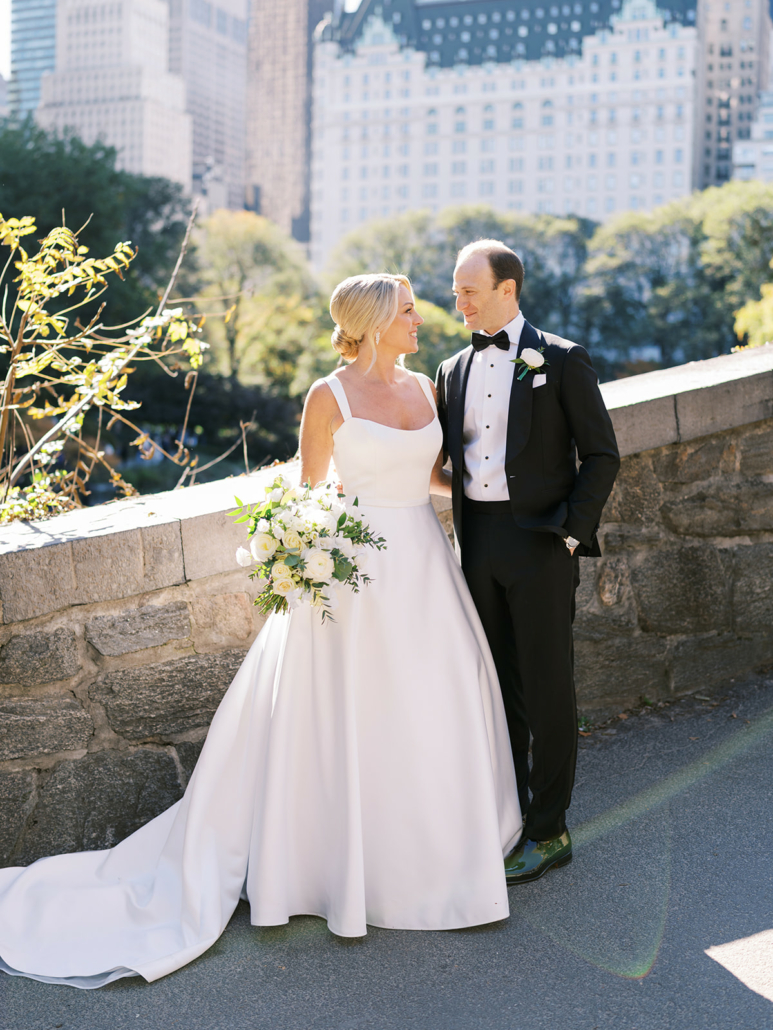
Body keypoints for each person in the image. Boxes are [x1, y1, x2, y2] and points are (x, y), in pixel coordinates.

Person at [0, 273, 522, 989]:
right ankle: (335, 864)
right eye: (406, 311)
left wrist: (508, 486)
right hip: (352, 579)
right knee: (352, 715)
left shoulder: (425, 388)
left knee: (437, 700)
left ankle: (438, 853)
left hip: (426, 571)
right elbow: (309, 497)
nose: (418, 319)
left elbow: (435, 476)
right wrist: (301, 549)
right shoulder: (327, 396)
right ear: (372, 322)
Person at [435, 240, 620, 885]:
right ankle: (509, 820)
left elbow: (601, 455)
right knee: (496, 691)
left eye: (468, 291)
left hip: (540, 543)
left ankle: (551, 829)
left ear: (507, 289)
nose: (456, 301)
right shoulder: (451, 368)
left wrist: (570, 535)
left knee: (547, 689)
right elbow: (444, 467)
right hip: (476, 544)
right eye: (456, 290)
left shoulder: (564, 360)